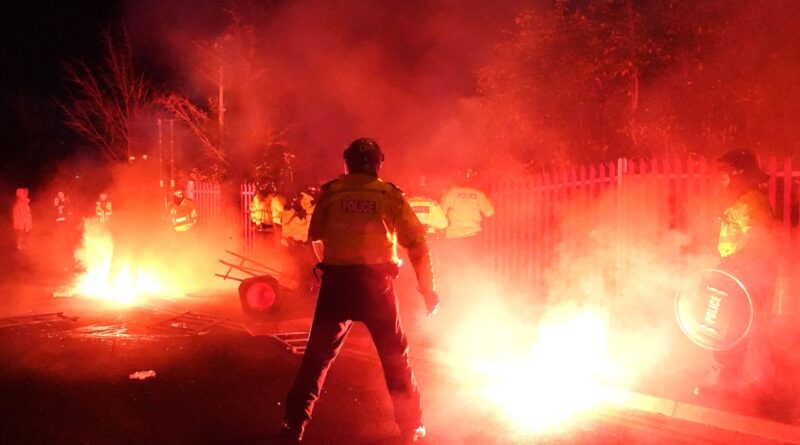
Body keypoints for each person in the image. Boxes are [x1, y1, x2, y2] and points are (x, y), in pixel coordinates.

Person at [280, 138, 440, 444]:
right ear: (379, 163)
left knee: (317, 358)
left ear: (347, 162)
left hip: (337, 286)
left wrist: (329, 269)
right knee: (395, 357)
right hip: (377, 288)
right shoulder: (389, 196)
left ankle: (294, 423)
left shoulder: (331, 194)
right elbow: (417, 244)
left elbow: (315, 240)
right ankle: (410, 427)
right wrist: (427, 289)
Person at [694, 149, 777, 400]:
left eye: (725, 175)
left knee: (729, 329)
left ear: (738, 175)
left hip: (745, 278)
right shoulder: (743, 202)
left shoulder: (750, 203)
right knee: (733, 329)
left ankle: (727, 387)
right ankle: (737, 386)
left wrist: (730, 266)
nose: (722, 181)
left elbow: (758, 242)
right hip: (740, 276)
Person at [440, 170, 494, 240]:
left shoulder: (451, 193)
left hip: (454, 234)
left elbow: (441, 213)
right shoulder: (478, 194)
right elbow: (489, 212)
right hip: (473, 233)